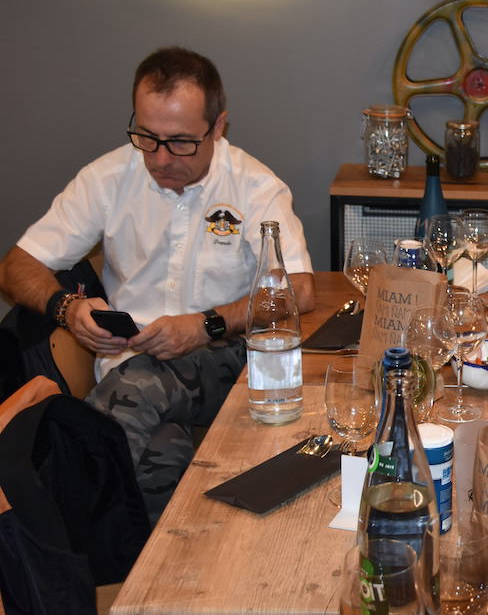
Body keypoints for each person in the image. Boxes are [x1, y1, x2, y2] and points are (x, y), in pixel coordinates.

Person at [0, 46, 314, 522]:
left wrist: (204, 325)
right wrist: (68, 308)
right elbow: (16, 266)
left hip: (225, 356)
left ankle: (54, 529)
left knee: (136, 388)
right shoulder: (108, 178)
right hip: (127, 359)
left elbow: (299, 290)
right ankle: (142, 563)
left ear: (218, 126)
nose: (161, 157)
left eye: (181, 142)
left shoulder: (255, 187)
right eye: (147, 137)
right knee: (159, 458)